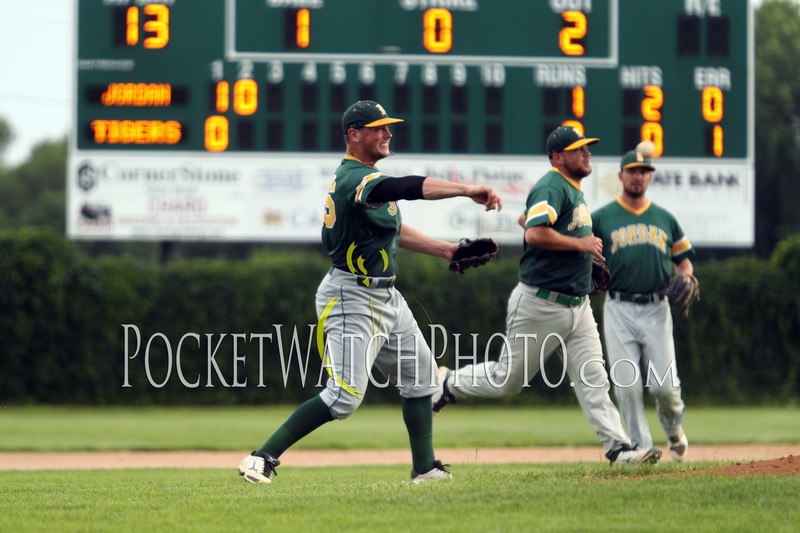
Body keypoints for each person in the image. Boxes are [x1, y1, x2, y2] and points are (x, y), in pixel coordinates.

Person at [238, 100, 503, 484]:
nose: (387, 133)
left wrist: (447, 250)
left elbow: (394, 230)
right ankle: (261, 458)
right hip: (351, 296)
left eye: (387, 126)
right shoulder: (355, 179)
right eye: (378, 127)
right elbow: (408, 187)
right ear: (354, 134)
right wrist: (466, 189)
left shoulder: (368, 183)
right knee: (343, 397)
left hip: (385, 296)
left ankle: (424, 469)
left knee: (422, 378)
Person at [432, 126, 659, 466]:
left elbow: (528, 219)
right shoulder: (552, 185)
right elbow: (536, 233)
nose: (587, 153)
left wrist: (577, 253)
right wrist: (581, 244)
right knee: (507, 381)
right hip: (541, 304)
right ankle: (448, 384)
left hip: (578, 305)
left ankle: (619, 449)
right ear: (557, 157)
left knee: (594, 379)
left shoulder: (570, 189)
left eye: (587, 147)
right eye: (578, 149)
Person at [590, 147, 693, 461]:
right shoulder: (602, 218)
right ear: (620, 176)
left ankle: (673, 426)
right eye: (632, 171)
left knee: (666, 387)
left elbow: (683, 261)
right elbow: (585, 257)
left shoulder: (665, 218)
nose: (638, 176)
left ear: (649, 176)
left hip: (656, 307)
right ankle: (641, 448)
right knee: (627, 385)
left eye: (644, 171)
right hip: (618, 307)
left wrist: (687, 277)